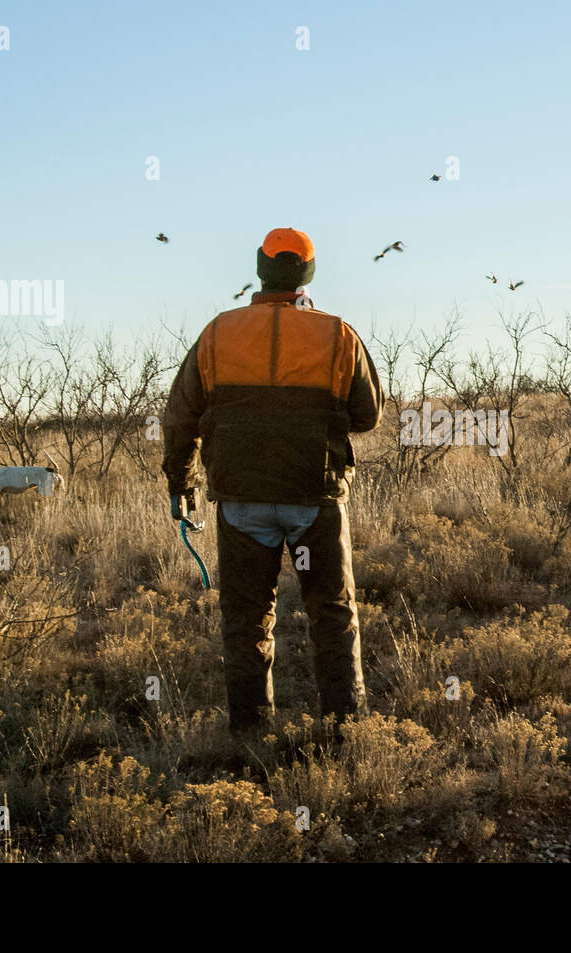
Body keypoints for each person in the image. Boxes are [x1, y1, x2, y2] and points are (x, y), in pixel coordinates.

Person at [161, 227, 382, 736]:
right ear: (308, 274)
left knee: (245, 620)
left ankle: (250, 739)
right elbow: (367, 415)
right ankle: (346, 734)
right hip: (315, 499)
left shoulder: (218, 333)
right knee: (332, 615)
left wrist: (182, 483)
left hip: (241, 502)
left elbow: (179, 418)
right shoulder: (338, 335)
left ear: (261, 268)